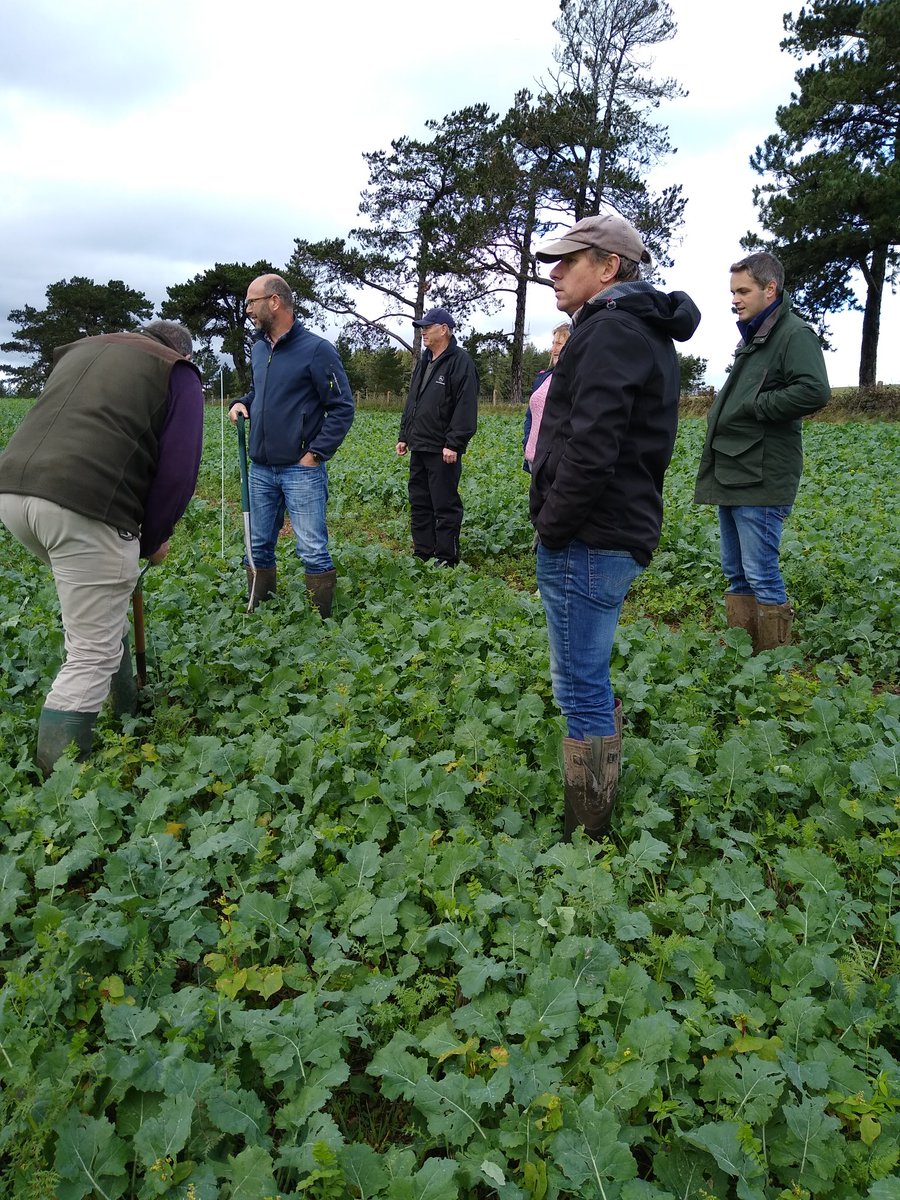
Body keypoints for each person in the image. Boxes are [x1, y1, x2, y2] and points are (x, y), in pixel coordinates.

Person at [530, 213, 701, 841]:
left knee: (579, 680)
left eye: (568, 260)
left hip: (590, 536)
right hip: (604, 531)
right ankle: (595, 790)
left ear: (608, 267)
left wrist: (552, 526)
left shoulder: (610, 332)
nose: (552, 272)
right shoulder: (630, 329)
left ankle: (589, 828)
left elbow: (592, 448)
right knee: (586, 671)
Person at [0, 320, 203, 775]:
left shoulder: (84, 349)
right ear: (181, 351)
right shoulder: (176, 371)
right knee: (93, 651)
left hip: (12, 494)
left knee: (99, 602)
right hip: (83, 504)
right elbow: (178, 474)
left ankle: (125, 706)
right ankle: (57, 791)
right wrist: (151, 540)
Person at [694, 252, 830, 652]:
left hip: (763, 473)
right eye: (733, 291)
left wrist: (757, 406)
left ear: (770, 289)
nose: (734, 299)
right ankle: (745, 651)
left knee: (760, 571)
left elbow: (814, 390)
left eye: (743, 290)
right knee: (736, 572)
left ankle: (773, 662)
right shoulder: (756, 334)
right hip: (735, 469)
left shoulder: (793, 333)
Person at [229, 274, 354, 617]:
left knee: (312, 548)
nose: (248, 310)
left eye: (251, 302)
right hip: (261, 470)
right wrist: (242, 402)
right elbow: (261, 394)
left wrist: (314, 455)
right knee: (257, 545)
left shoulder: (316, 350)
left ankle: (320, 621)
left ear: (274, 301)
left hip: (301, 470)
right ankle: (261, 610)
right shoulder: (257, 349)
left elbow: (342, 407)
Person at [396, 307, 478, 566]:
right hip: (419, 443)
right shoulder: (424, 360)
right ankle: (423, 551)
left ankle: (446, 556)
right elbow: (413, 400)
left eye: (427, 327)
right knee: (419, 500)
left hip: (443, 448)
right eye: (421, 328)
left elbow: (465, 406)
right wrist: (404, 435)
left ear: (444, 329)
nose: (423, 332)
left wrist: (454, 443)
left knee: (444, 503)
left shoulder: (459, 361)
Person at [523, 322, 571, 471]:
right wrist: (527, 443)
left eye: (559, 344)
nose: (553, 349)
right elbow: (530, 415)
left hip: (557, 462)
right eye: (553, 343)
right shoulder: (543, 378)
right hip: (534, 459)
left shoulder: (575, 379)